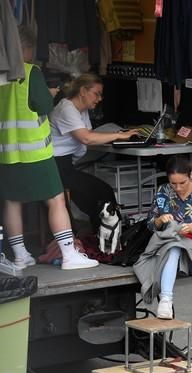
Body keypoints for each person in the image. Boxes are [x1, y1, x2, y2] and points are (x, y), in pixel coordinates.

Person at [0, 25, 98, 270]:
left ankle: (20, 255)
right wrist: (50, 92)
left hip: (7, 151)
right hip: (35, 151)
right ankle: (68, 254)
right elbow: (43, 106)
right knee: (55, 199)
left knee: (12, 201)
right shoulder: (29, 72)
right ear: (24, 47)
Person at [135, 155, 192, 365]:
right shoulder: (163, 192)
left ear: (191, 175)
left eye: (182, 183)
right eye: (173, 183)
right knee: (175, 247)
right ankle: (166, 299)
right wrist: (160, 220)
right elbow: (151, 224)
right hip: (170, 245)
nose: (177, 188)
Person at [50, 73, 139, 233]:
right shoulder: (66, 109)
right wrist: (119, 135)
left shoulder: (81, 110)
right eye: (96, 93)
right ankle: (108, 237)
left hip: (65, 164)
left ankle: (103, 237)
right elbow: (87, 138)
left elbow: (90, 135)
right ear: (83, 91)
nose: (99, 99)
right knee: (103, 193)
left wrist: (118, 135)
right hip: (55, 166)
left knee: (95, 198)